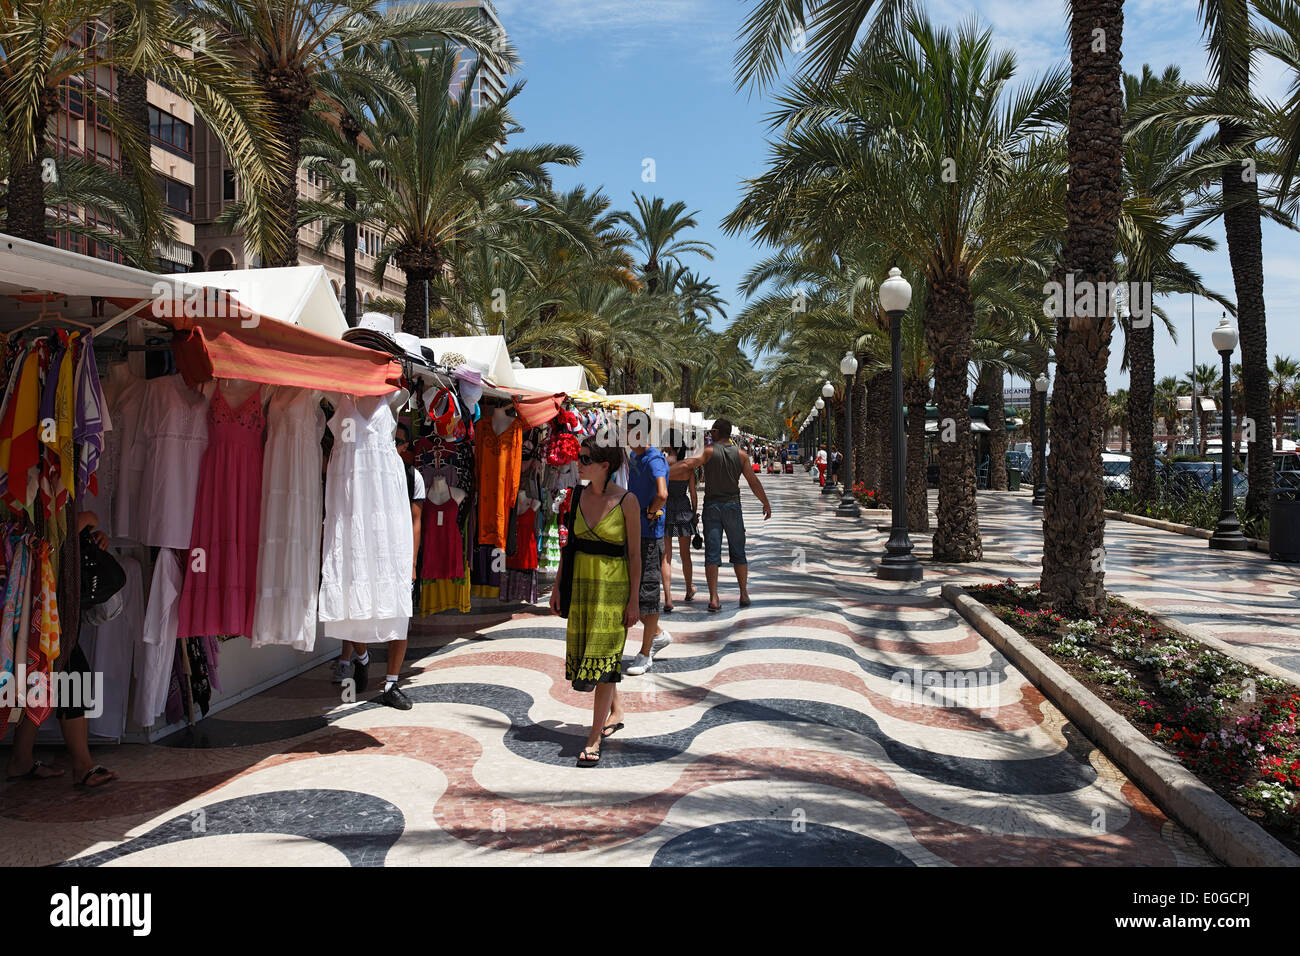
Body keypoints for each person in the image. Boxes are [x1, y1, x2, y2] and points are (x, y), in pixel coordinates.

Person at [5, 511, 118, 789]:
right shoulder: (38, 487)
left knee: (45, 670)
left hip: (47, 589)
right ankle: (82, 765)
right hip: (37, 588)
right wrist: (86, 520)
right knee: (68, 669)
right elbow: (56, 528)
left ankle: (22, 758)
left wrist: (87, 530)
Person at [549, 436, 640, 767]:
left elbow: (634, 555)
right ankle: (615, 709)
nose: (578, 463)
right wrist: (558, 587)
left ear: (605, 466)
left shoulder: (627, 501)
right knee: (594, 657)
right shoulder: (574, 497)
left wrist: (634, 601)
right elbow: (568, 547)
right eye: (579, 457)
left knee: (604, 663)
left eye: (585, 459)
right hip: (582, 591)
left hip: (612, 593)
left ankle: (593, 737)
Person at [669, 418, 771, 612]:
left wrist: (660, 471)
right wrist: (765, 503)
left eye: (711, 431)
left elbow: (687, 464)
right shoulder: (741, 455)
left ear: (716, 432)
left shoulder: (708, 452)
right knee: (738, 551)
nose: (710, 435)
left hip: (712, 507)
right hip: (733, 505)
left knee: (712, 553)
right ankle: (743, 593)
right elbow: (753, 481)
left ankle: (714, 598)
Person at [624, 410, 670, 675]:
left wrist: (651, 513)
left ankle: (645, 654)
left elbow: (662, 493)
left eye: (630, 430)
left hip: (649, 537)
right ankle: (659, 634)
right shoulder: (635, 456)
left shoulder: (653, 458)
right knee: (632, 591)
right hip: (634, 533)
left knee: (648, 595)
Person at [661, 434, 698, 612]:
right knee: (685, 555)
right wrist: (695, 512)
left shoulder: (663, 464)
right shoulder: (687, 467)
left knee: (666, 556)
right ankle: (688, 589)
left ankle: (668, 598)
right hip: (684, 509)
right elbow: (693, 492)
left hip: (667, 509)